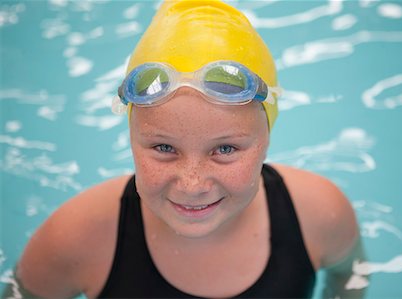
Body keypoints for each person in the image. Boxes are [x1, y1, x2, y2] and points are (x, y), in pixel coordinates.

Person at [3, 0, 363, 298]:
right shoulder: (76, 237)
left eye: (225, 149)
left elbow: (350, 280)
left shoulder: (320, 213)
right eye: (163, 147)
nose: (192, 185)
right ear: (131, 137)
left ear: (267, 139)